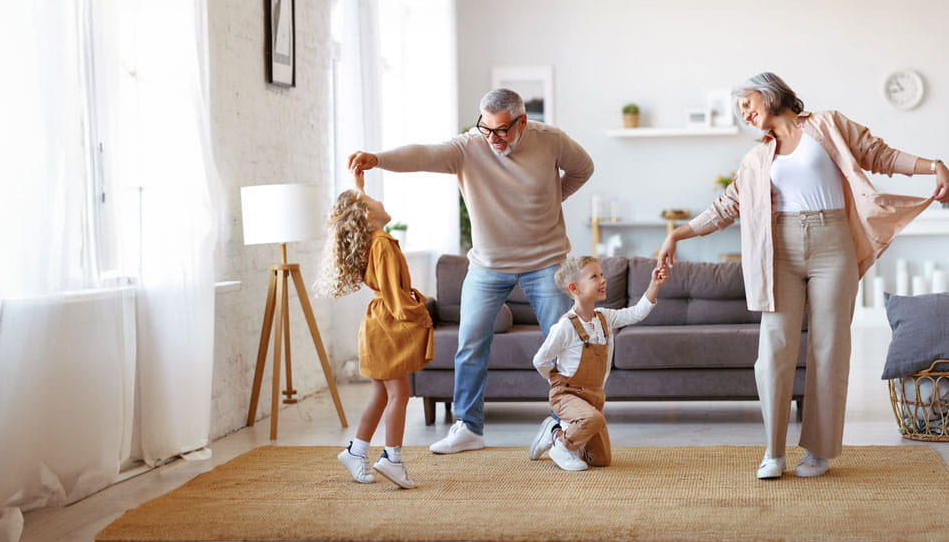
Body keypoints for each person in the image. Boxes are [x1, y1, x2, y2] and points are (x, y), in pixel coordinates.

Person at [656, 72, 949, 480]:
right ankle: (773, 452)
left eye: (747, 101)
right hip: (779, 250)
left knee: (829, 348)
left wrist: (932, 165)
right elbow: (725, 207)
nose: (744, 110)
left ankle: (818, 450)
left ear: (771, 93)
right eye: (740, 107)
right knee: (774, 349)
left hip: (833, 244)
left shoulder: (827, 125)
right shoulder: (757, 158)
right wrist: (677, 233)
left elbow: (878, 154)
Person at [347, 88, 594, 454]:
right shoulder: (469, 147)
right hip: (487, 266)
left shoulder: (550, 140)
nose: (493, 139)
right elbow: (424, 154)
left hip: (546, 261)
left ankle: (568, 427)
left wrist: (553, 196)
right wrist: (378, 159)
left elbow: (583, 168)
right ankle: (469, 427)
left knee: (564, 346)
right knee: (470, 346)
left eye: (502, 131)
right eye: (486, 128)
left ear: (522, 122)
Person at [317, 170, 433, 488]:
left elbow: (390, 291)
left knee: (382, 393)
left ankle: (356, 450)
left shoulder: (376, 239)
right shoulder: (381, 243)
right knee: (399, 394)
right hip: (386, 325)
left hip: (379, 324)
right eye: (372, 199)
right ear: (368, 214)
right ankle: (392, 459)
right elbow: (395, 296)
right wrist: (419, 313)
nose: (379, 199)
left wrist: (358, 183)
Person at [528, 255, 668, 471]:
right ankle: (561, 445)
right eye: (594, 276)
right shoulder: (565, 326)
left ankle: (554, 431)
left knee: (600, 459)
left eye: (602, 274)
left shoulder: (604, 317)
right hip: (566, 395)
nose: (603, 280)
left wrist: (654, 285)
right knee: (592, 419)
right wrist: (556, 382)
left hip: (593, 398)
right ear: (575, 288)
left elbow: (636, 313)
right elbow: (540, 360)